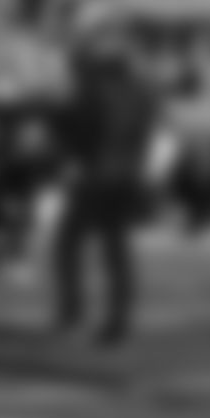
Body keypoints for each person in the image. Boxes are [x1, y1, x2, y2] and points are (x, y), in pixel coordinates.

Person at [52, 21, 167, 346]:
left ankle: (72, 310)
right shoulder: (142, 91)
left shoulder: (93, 90)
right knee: (116, 248)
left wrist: (71, 154)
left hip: (97, 173)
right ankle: (118, 318)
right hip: (128, 173)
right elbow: (151, 133)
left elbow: (80, 129)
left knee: (69, 242)